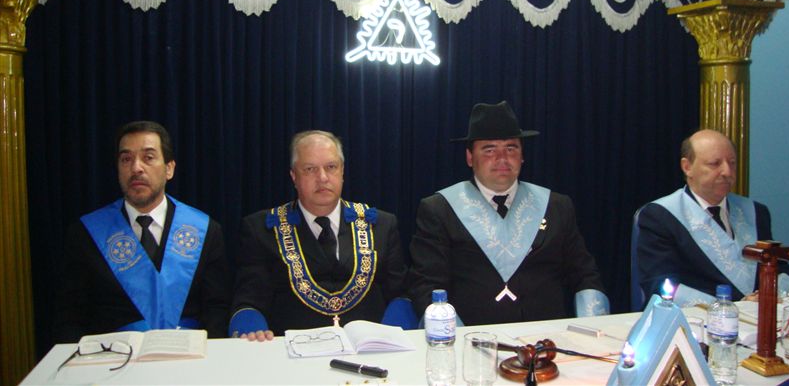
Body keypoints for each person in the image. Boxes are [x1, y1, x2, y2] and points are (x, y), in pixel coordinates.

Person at [407, 101, 608, 325]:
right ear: (470, 157)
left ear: (522, 156)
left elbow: (584, 274)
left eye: (511, 148)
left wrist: (594, 328)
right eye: (489, 149)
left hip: (547, 338)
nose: (502, 158)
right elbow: (426, 286)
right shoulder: (439, 210)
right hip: (472, 337)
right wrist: (453, 336)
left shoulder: (556, 206)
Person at [54, 121, 230, 342]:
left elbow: (217, 310)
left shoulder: (205, 231)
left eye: (148, 157)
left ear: (169, 169)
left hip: (188, 353)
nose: (136, 168)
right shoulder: (86, 234)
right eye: (126, 159)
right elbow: (70, 316)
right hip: (115, 355)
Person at [229, 130, 408, 341]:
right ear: (294, 177)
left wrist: (393, 338)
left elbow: (401, 295)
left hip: (369, 349)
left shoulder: (380, 225)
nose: (322, 178)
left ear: (342, 172)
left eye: (331, 167)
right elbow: (249, 300)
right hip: (289, 351)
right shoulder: (261, 229)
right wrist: (252, 329)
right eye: (310, 169)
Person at [636, 129, 789, 307]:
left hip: (759, 316)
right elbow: (661, 284)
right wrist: (730, 306)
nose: (727, 172)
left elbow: (780, 267)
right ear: (687, 167)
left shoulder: (756, 212)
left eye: (732, 163)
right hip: (700, 319)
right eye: (715, 164)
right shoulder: (660, 216)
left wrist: (769, 293)